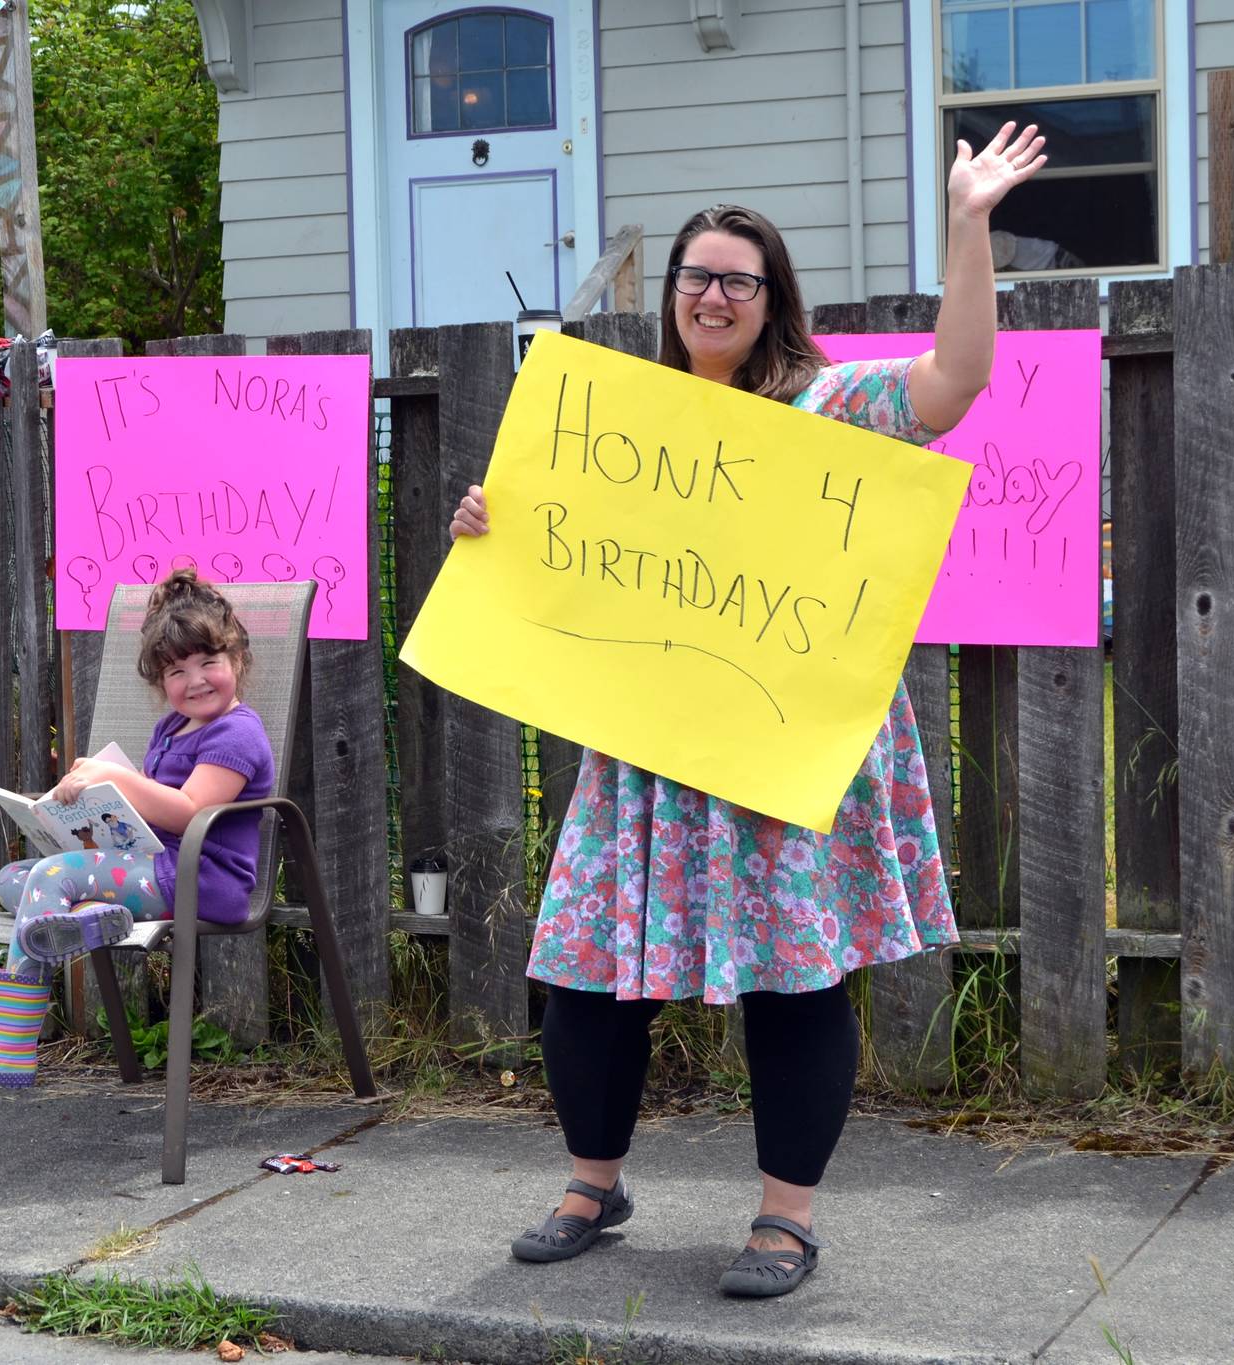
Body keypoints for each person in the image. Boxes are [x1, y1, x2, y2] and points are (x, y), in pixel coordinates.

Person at [449, 123, 1046, 1298]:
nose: (712, 294)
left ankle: (785, 1219)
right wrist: (491, 525)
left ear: (770, 297)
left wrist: (968, 223)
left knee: (793, 981)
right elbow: (560, 568)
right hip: (645, 757)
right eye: (694, 275)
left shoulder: (831, 405)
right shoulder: (611, 427)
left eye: (737, 277)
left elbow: (959, 381)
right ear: (669, 293)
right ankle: (590, 1184)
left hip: (780, 752)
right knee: (581, 971)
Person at [0, 568, 275, 1087]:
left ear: (237, 660)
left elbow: (188, 811)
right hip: (159, 864)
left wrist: (115, 778)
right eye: (176, 672)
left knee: (52, 879)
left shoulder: (238, 734)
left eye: (209, 662)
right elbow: (151, 815)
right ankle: (95, 918)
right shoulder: (172, 727)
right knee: (14, 878)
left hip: (203, 878)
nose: (195, 680)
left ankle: (9, 1044)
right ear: (160, 683)